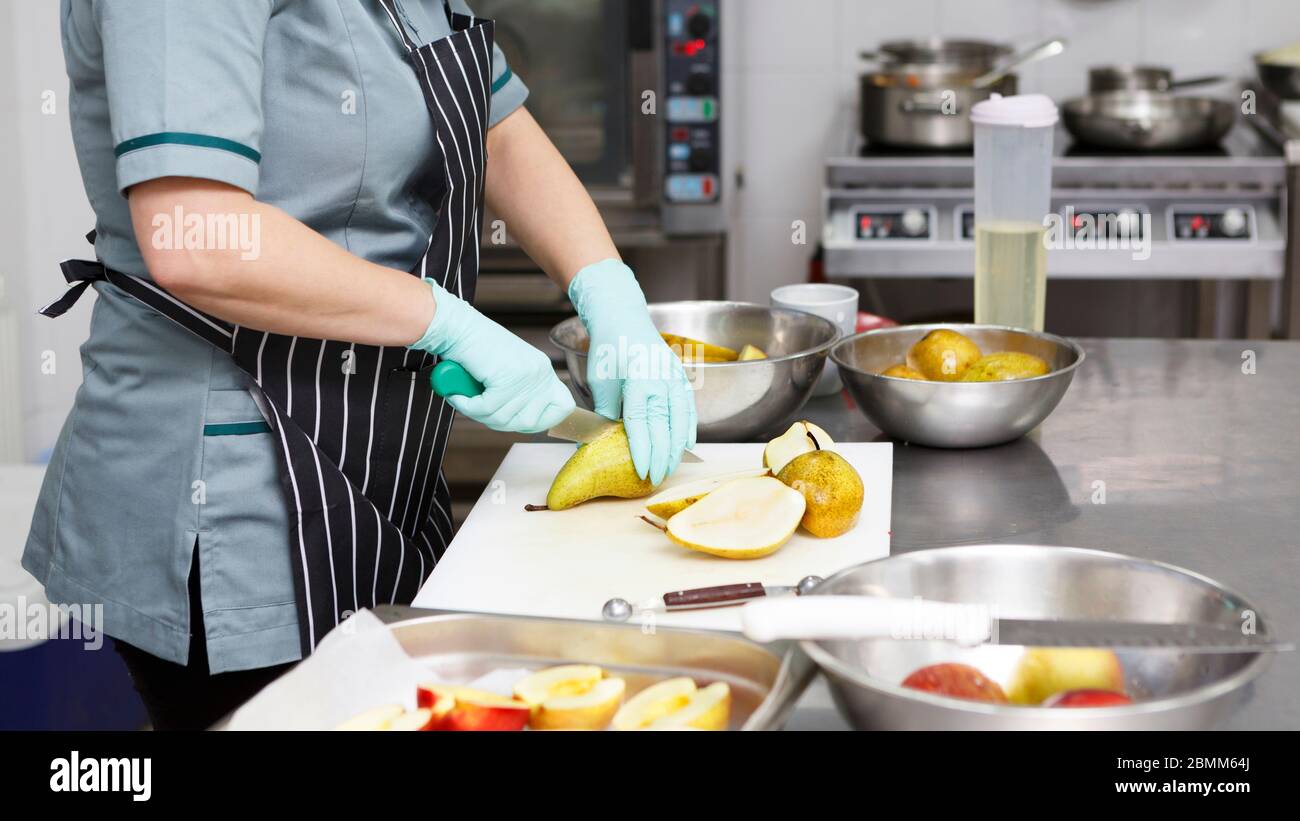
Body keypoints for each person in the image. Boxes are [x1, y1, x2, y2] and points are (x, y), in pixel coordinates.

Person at [25, 0, 695, 730]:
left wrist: (607, 288)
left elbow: (495, 128)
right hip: (237, 507)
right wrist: (444, 321)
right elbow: (195, 234)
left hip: (382, 475)